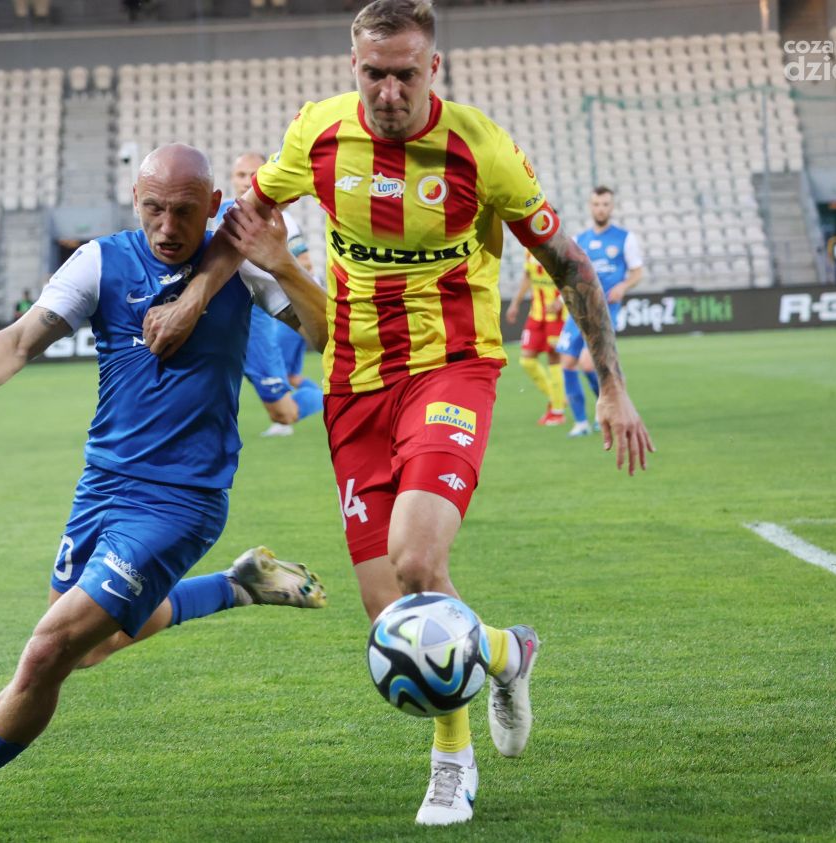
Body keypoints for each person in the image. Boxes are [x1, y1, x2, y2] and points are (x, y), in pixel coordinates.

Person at [142, 0, 654, 826]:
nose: (388, 91)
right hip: (354, 382)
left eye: (405, 74)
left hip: (452, 368)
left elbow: (570, 266)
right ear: (354, 67)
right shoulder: (318, 133)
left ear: (432, 69)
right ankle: (505, 650)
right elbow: (241, 225)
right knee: (390, 616)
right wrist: (192, 300)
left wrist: (614, 385)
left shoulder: (481, 151)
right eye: (374, 74)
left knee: (417, 563)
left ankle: (452, 764)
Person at [0, 144, 331, 831]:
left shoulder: (241, 266)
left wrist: (286, 264)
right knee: (89, 647)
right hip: (103, 486)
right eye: (154, 209)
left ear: (212, 205)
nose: (167, 227)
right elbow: (20, 341)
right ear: (134, 201)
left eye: (184, 212)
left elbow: (327, 336)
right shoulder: (100, 262)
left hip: (181, 501)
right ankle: (237, 585)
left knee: (48, 650)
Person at [220, 152, 324, 437]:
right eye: (241, 175)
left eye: (253, 175)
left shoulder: (281, 220)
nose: (246, 181)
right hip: (218, 319)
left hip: (261, 318)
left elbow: (304, 266)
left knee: (284, 407)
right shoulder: (218, 214)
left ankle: (325, 398)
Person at [556, 186, 643, 438]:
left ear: (611, 207)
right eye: (596, 204)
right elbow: (570, 274)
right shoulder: (579, 239)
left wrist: (623, 286)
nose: (601, 209)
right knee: (567, 362)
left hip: (603, 311)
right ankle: (581, 422)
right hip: (578, 309)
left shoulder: (625, 238)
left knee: (587, 362)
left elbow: (637, 272)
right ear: (590, 206)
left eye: (605, 204)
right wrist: (562, 297)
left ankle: (606, 410)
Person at [504, 248, 566, 425]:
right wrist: (515, 303)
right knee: (527, 360)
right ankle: (557, 397)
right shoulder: (528, 249)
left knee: (554, 356)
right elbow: (527, 276)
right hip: (536, 313)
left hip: (556, 315)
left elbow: (571, 278)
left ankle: (557, 412)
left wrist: (561, 300)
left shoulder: (559, 248)